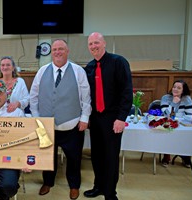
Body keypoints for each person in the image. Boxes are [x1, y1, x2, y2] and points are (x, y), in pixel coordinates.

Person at [30, 39, 92, 200]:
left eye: (61, 49)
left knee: (74, 159)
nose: (57, 52)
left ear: (67, 51)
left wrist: (85, 118)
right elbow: (34, 97)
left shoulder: (78, 71)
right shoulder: (42, 71)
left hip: (72, 124)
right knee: (48, 157)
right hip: (47, 126)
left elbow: (86, 97)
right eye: (55, 49)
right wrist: (37, 119)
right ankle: (48, 183)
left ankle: (74, 186)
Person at [83, 32, 133, 200]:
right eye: (90, 44)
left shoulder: (118, 62)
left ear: (104, 43)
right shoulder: (89, 67)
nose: (93, 46)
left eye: (96, 42)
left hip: (113, 118)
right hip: (95, 118)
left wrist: (121, 118)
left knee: (111, 157)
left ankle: (110, 193)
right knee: (96, 156)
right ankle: (98, 187)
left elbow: (126, 91)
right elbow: (87, 95)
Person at [160, 80, 192, 168]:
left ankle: (186, 157)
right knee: (167, 132)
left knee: (189, 134)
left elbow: (190, 116)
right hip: (168, 123)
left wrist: (177, 118)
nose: (175, 89)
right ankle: (166, 157)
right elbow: (166, 114)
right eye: (174, 87)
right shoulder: (165, 98)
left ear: (183, 90)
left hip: (183, 124)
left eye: (179, 88)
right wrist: (173, 103)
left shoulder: (187, 99)